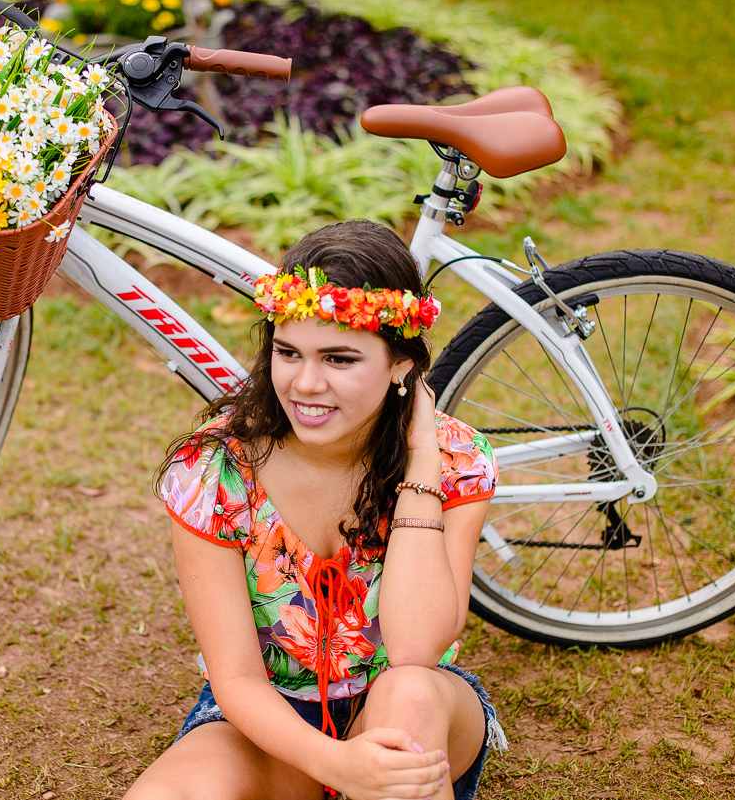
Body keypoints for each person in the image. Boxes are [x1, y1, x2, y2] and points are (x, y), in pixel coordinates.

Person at [129, 221, 505, 800]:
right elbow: (235, 679)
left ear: (401, 363)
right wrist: (337, 764)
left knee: (408, 692)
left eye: (339, 358)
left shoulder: (455, 459)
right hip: (265, 728)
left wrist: (422, 462)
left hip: (412, 714)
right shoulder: (217, 470)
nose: (306, 384)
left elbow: (414, 649)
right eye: (288, 351)